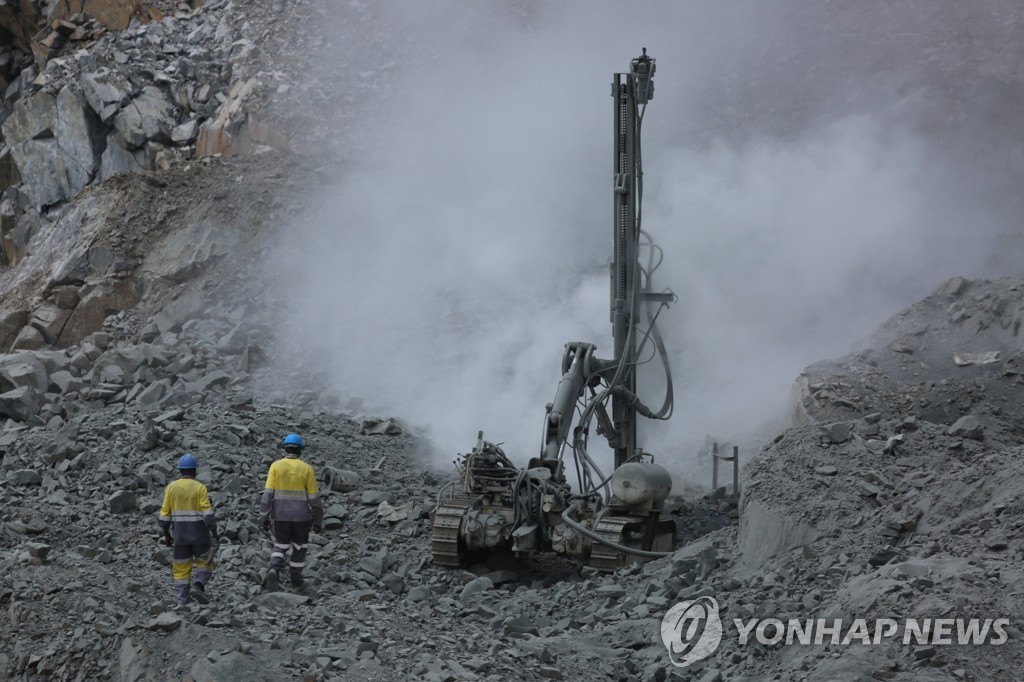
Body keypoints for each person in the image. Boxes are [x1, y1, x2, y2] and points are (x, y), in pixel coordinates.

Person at [259, 433, 323, 591]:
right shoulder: (306, 468)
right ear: (300, 450)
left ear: (285, 449)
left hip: (280, 515)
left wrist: (264, 517)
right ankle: (296, 580)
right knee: (299, 547)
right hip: (301, 517)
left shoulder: (275, 466)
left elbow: (267, 495)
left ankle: (274, 569)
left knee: (280, 544)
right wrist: (318, 520)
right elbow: (314, 499)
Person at [158, 453, 219, 606]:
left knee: (180, 569)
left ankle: (182, 602)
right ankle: (199, 585)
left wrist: (167, 535)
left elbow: (164, 516)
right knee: (205, 561)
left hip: (180, 536)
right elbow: (208, 513)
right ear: (194, 471)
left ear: (180, 470)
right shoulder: (200, 488)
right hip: (200, 535)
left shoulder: (171, 488)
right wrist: (214, 533)